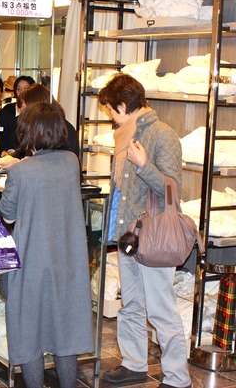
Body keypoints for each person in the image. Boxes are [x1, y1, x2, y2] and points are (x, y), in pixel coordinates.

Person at [99, 74, 191, 388]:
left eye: (111, 108)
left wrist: (143, 164)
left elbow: (171, 192)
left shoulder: (163, 135)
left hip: (154, 236)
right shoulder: (123, 134)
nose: (109, 115)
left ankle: (178, 378)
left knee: (162, 309)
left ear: (124, 105)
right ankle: (134, 364)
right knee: (132, 305)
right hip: (128, 234)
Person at [0, 102, 94, 388]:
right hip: (68, 259)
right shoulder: (71, 162)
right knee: (65, 329)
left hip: (30, 262)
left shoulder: (21, 172)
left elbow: (8, 214)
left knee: (28, 330)